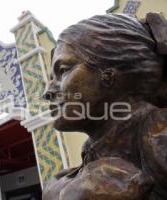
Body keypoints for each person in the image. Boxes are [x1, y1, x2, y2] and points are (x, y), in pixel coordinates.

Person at [42, 13, 167, 200]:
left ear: (109, 75)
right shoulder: (90, 157)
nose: (47, 92)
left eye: (63, 70)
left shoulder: (159, 138)